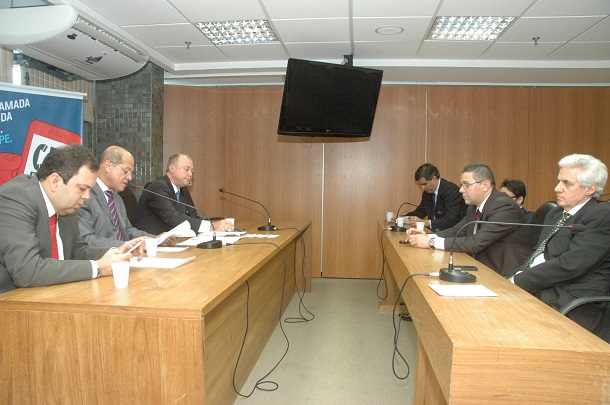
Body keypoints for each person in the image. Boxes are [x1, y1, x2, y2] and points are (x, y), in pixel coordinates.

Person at [0, 144, 143, 295]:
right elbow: (27, 271)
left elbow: (78, 251)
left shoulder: (67, 207)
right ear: (55, 181)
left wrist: (116, 251)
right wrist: (98, 267)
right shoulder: (16, 198)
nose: (87, 196)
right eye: (82, 189)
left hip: (53, 294)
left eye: (89, 190)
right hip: (11, 300)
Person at [511, 154, 610, 342]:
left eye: (567, 183)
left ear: (590, 189)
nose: (557, 188)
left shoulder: (602, 216)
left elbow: (570, 265)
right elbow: (538, 254)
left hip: (573, 302)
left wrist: (517, 281)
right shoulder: (555, 213)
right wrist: (512, 277)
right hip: (544, 289)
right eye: (559, 181)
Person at [407, 163, 531, 276]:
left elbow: (475, 243)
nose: (461, 190)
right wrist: (427, 236)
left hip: (504, 276)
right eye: (461, 185)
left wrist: (431, 242)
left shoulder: (505, 207)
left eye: (466, 185)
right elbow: (457, 231)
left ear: (485, 185)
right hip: (482, 268)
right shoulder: (474, 206)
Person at [77, 146, 174, 248]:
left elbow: (127, 230)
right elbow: (87, 240)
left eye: (131, 173)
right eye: (126, 171)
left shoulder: (117, 199)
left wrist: (155, 239)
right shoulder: (84, 196)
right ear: (108, 166)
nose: (129, 177)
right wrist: (128, 245)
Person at [136, 153, 233, 234]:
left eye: (192, 171)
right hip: (151, 242)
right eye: (186, 169)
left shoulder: (183, 189)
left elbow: (193, 216)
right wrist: (211, 226)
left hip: (175, 242)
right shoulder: (157, 188)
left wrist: (217, 225)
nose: (190, 174)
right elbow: (172, 217)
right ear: (172, 168)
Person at [404, 163, 466, 231]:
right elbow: (420, 211)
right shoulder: (428, 191)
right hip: (433, 232)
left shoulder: (452, 192)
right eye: (420, 185)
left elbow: (450, 220)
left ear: (434, 179)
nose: (422, 188)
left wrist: (425, 222)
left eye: (425, 184)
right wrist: (402, 219)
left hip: (450, 232)